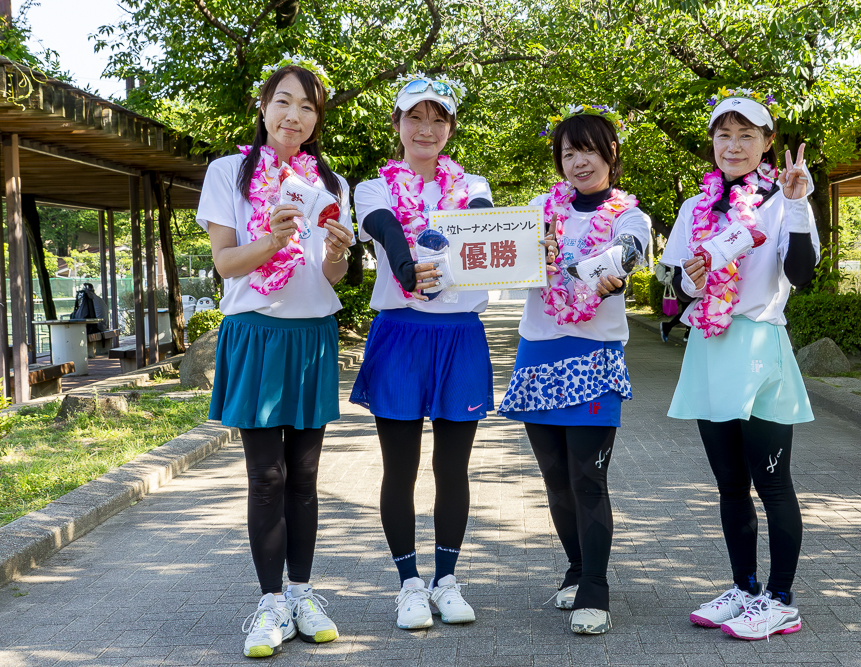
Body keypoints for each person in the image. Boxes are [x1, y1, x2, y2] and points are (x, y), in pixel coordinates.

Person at [197, 58, 355, 658]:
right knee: (266, 476)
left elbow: (331, 274)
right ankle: (270, 603)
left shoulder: (331, 186)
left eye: (308, 107)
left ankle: (302, 593)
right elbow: (225, 263)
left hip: (311, 334)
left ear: (317, 120)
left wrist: (338, 251)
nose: (295, 115)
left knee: (305, 477)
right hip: (256, 333)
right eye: (284, 101)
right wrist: (272, 239)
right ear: (263, 108)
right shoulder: (227, 173)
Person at [660, 87, 819, 640]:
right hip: (709, 345)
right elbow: (671, 291)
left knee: (773, 484)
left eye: (746, 135)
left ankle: (782, 599)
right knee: (730, 484)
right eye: (723, 134)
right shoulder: (694, 208)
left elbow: (801, 274)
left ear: (767, 142)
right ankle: (744, 588)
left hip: (758, 348)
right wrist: (689, 282)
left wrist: (796, 204)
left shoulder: (783, 199)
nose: (733, 145)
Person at [498, 105, 650, 635]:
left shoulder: (630, 216)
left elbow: (628, 253)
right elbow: (505, 258)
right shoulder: (539, 210)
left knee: (588, 477)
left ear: (611, 153)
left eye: (588, 150)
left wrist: (608, 274)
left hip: (594, 356)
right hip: (538, 354)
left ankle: (596, 590)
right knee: (556, 479)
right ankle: (577, 568)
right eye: (568, 153)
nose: (579, 162)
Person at [348, 73, 493, 630]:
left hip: (460, 334)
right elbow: (384, 228)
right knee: (400, 468)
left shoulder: (472, 183)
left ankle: (446, 580)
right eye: (415, 117)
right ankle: (409, 584)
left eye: (438, 119)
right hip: (401, 333)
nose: (426, 129)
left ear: (450, 128)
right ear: (397, 124)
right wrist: (406, 263)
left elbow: (478, 222)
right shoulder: (374, 187)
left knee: (453, 467)